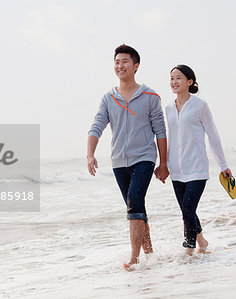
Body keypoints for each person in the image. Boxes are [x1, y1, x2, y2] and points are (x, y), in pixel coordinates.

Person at [87, 44, 169, 270]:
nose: (120, 66)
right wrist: (90, 154)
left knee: (134, 204)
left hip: (144, 157)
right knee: (136, 207)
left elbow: (160, 131)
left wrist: (163, 163)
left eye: (124, 62)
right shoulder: (108, 98)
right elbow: (97, 126)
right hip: (119, 162)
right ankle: (150, 254)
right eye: (116, 62)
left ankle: (134, 259)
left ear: (136, 66)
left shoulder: (150, 96)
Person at [161, 64, 232, 256]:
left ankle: (189, 249)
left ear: (189, 81)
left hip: (197, 167)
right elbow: (168, 138)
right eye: (172, 78)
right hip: (177, 168)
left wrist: (223, 165)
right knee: (187, 210)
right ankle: (202, 240)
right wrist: (164, 164)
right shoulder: (168, 108)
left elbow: (213, 135)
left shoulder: (200, 105)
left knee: (188, 207)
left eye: (178, 78)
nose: (174, 82)